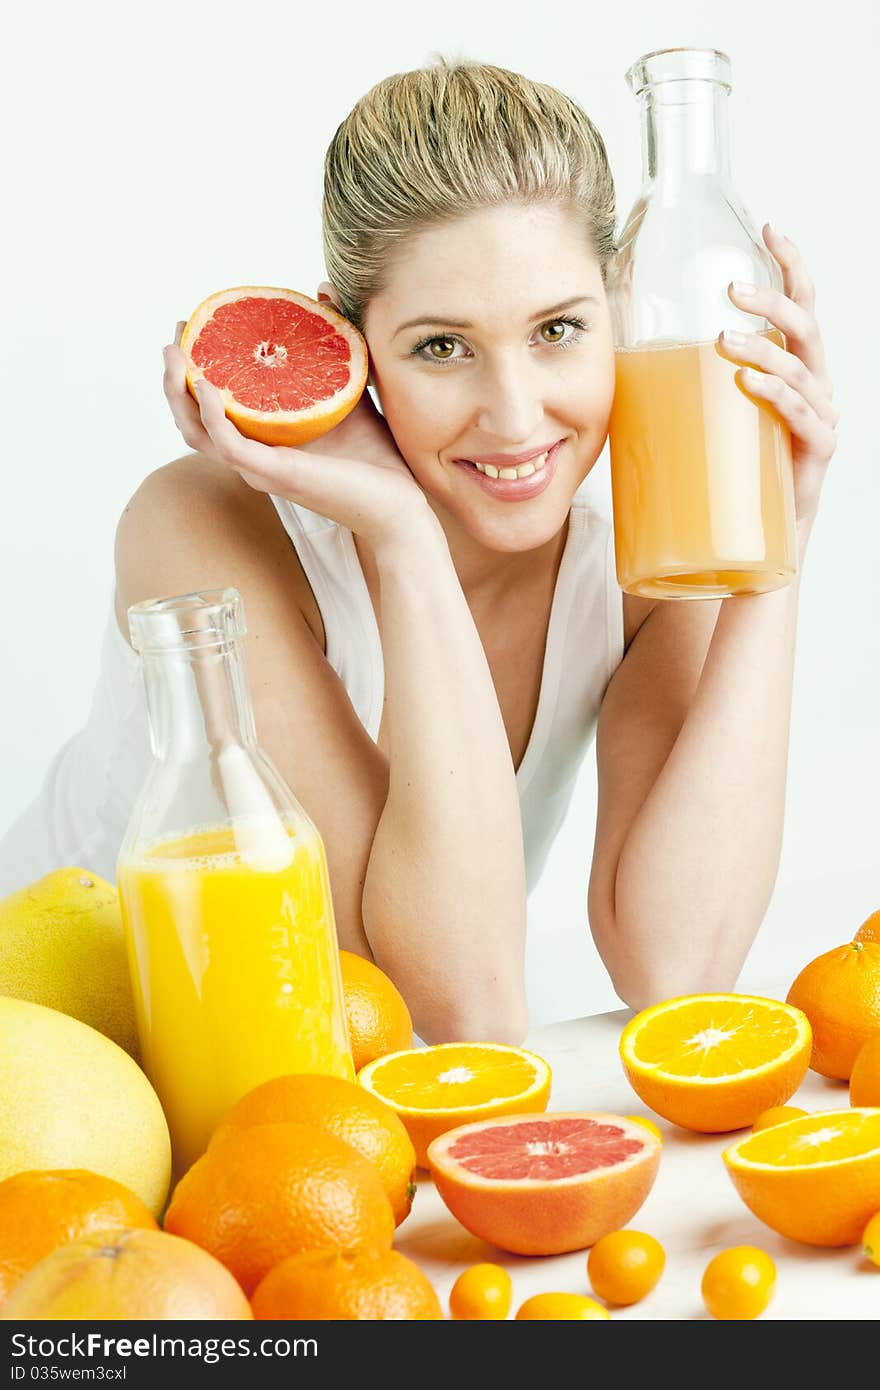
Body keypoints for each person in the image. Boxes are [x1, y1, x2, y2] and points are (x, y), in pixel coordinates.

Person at [0, 58, 838, 1042]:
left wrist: (778, 532)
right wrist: (403, 536)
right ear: (346, 343)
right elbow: (451, 1003)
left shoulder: (640, 570)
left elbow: (677, 966)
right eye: (442, 347)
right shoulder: (204, 530)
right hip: (58, 1061)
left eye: (558, 329)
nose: (516, 417)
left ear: (621, 306)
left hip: (307, 1122)